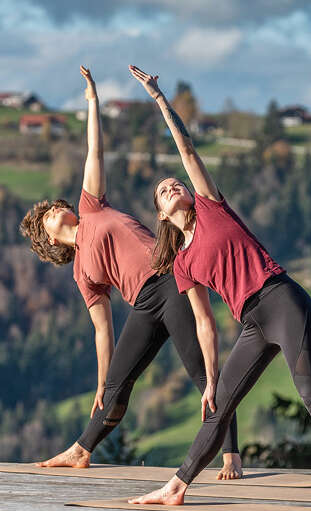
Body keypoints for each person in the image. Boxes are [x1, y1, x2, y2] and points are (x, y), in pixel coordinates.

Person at [126, 65, 311, 511]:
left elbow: (187, 151)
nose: (173, 185)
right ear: (161, 213)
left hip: (284, 300)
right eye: (163, 190)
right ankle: (176, 486)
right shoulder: (183, 263)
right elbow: (205, 324)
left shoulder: (212, 207)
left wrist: (159, 99)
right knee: (219, 408)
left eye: (175, 183)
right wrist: (210, 378)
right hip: (252, 321)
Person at [19, 67, 242, 480]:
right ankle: (82, 449)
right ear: (50, 240)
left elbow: (95, 154)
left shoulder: (91, 207)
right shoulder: (82, 274)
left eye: (52, 206)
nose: (53, 208)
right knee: (118, 385)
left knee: (200, 370)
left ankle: (230, 453)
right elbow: (103, 331)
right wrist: (102, 381)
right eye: (47, 215)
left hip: (172, 279)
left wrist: (92, 100)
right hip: (143, 303)